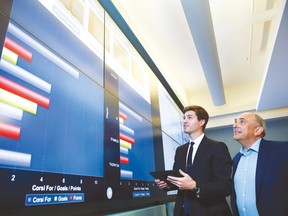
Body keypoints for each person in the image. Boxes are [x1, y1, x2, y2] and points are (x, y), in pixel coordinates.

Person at [156, 105, 232, 216]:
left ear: (201, 122)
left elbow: (225, 186)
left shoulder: (217, 147)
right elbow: (180, 179)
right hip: (183, 211)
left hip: (210, 212)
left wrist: (194, 186)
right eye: (184, 118)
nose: (185, 121)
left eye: (189, 117)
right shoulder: (180, 150)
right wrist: (167, 184)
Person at [231, 112, 288, 216]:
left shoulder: (283, 150)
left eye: (242, 121)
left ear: (257, 130)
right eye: (235, 122)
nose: (234, 125)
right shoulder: (236, 159)